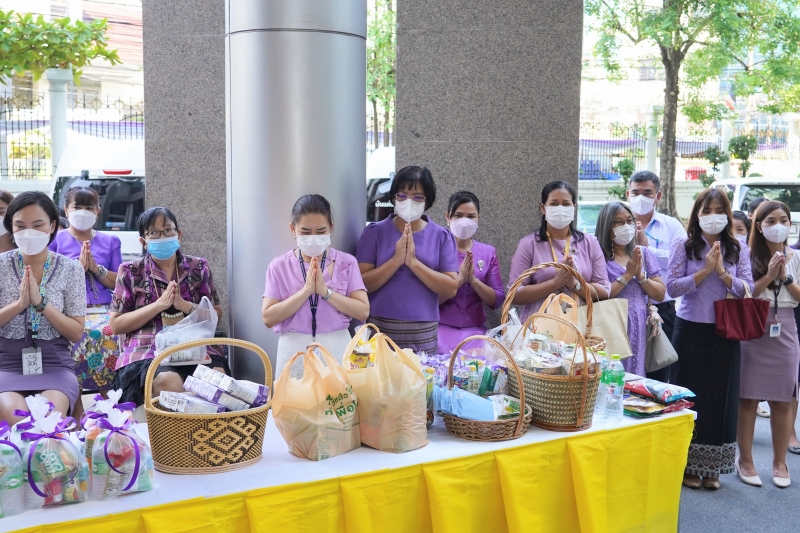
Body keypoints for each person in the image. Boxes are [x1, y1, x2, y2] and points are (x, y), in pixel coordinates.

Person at [667, 188, 754, 490]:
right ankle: (687, 464)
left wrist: (723, 274)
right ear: (697, 214)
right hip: (689, 328)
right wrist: (705, 271)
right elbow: (672, 288)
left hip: (725, 330)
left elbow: (748, 289)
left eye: (719, 210)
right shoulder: (684, 244)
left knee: (722, 397)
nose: (713, 216)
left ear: (728, 215)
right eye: (707, 210)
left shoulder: (738, 246)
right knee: (689, 395)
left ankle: (713, 467)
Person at [109, 207, 226, 406]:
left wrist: (186, 306)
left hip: (195, 346)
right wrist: (158, 306)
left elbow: (216, 314)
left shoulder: (199, 267)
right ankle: (172, 437)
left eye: (168, 230)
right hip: (148, 349)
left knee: (217, 379)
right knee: (168, 382)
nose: (162, 236)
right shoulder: (130, 271)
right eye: (153, 232)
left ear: (178, 234)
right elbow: (116, 324)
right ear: (143, 241)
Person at [0, 192, 85, 423]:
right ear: (11, 228)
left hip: (54, 364)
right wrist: (19, 304)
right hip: (6, 364)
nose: (29, 232)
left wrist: (41, 304)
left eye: (37, 225)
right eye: (20, 225)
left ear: (52, 226)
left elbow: (76, 332)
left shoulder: (71, 269)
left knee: (47, 420)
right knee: (20, 420)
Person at [262, 194, 369, 378]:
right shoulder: (279, 266)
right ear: (293, 229)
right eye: (305, 232)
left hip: (336, 348)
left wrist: (325, 292)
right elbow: (268, 317)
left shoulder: (347, 263)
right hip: (293, 351)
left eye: (320, 232)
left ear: (331, 228)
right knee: (294, 405)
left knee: (337, 405)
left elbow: (362, 311)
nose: (313, 238)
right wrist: (305, 292)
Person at [356, 166, 458, 353]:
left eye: (417, 196)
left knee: (420, 380)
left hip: (423, 329)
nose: (408, 201)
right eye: (402, 195)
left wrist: (413, 262)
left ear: (427, 200)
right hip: (380, 326)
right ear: (394, 197)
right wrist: (395, 260)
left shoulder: (441, 236)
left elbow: (451, 287)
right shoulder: (374, 232)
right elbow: (361, 284)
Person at [736, 201, 799, 489]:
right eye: (771, 220)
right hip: (753, 327)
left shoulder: (795, 257)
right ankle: (745, 461)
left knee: (783, 399)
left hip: (784, 327)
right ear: (758, 226)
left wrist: (784, 276)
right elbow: (745, 293)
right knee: (747, 398)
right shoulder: (745, 255)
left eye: (783, 219)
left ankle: (779, 462)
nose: (779, 225)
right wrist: (769, 276)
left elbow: (798, 296)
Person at [49, 187, 122, 393]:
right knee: (70, 336)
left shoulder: (110, 241)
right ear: (66, 210)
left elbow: (120, 281)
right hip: (69, 311)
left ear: (98, 211)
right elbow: (48, 280)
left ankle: (109, 399)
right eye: (77, 207)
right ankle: (74, 396)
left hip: (103, 309)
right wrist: (77, 270)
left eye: (89, 207)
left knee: (112, 333)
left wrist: (96, 269)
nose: (83, 211)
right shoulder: (55, 241)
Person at [509, 181, 609, 322]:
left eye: (566, 204)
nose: (560, 208)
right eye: (554, 204)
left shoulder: (590, 242)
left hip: (581, 326)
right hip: (540, 330)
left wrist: (574, 284)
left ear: (574, 208)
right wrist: (555, 283)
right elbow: (514, 294)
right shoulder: (528, 244)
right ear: (543, 208)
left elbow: (604, 291)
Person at [627, 171, 687, 383]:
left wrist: (648, 250)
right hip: (625, 310)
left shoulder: (671, 226)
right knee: (626, 375)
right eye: (636, 192)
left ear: (658, 196)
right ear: (628, 194)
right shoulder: (618, 224)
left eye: (647, 192)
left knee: (657, 379)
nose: (640, 197)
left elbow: (682, 260)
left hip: (662, 312)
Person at [596, 202, 665, 376]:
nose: (626, 226)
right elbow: (600, 294)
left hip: (638, 322)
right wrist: (627, 275)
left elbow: (660, 293)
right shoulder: (599, 257)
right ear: (606, 225)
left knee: (635, 375)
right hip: (610, 324)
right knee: (611, 376)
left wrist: (640, 276)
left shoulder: (642, 253)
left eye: (629, 221)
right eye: (618, 222)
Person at [437, 191, 505, 353]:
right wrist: (459, 281)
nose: (465, 222)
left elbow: (497, 299)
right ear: (448, 217)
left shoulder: (488, 252)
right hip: (440, 331)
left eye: (470, 216)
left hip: (475, 334)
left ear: (478, 218)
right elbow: (428, 300)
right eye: (459, 216)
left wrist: (474, 281)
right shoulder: (437, 250)